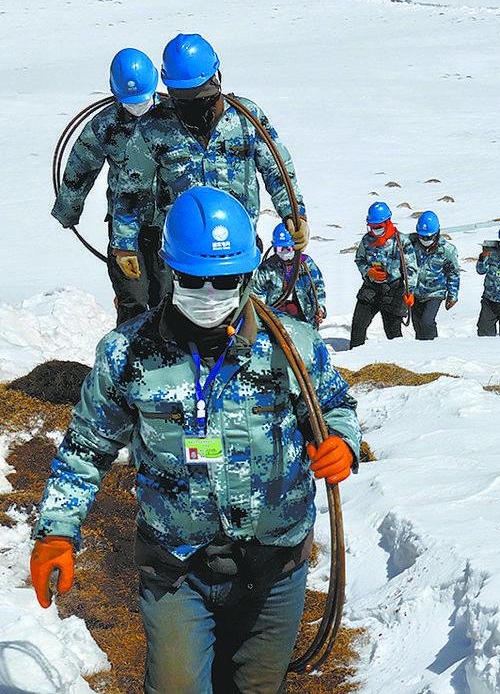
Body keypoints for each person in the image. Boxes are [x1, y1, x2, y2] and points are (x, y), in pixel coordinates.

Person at [29, 187, 360, 693]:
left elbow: (335, 405)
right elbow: (85, 449)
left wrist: (341, 441)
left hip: (275, 565)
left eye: (224, 280)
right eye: (192, 278)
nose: (209, 293)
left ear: (247, 274)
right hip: (177, 568)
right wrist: (56, 532)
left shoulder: (292, 346)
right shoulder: (127, 354)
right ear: (169, 269)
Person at [113, 33, 309, 295]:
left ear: (217, 79)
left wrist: (294, 213)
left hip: (238, 250)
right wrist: (124, 243)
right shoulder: (154, 128)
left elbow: (277, 169)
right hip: (183, 258)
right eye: (184, 98)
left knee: (243, 316)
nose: (194, 105)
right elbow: (131, 188)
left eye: (201, 95)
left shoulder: (245, 119)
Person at [52, 48, 160, 325]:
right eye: (131, 102)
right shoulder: (105, 125)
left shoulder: (172, 118)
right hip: (125, 227)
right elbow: (80, 168)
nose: (137, 107)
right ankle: (129, 350)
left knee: (168, 298)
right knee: (133, 300)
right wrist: (68, 210)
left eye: (143, 100)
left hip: (170, 224)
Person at [349, 201, 417, 348]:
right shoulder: (366, 240)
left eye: (378, 227)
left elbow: (411, 269)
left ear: (387, 222)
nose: (375, 230)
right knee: (358, 325)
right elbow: (359, 259)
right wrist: (368, 271)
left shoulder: (401, 241)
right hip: (371, 288)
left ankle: (398, 358)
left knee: (393, 333)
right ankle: (355, 356)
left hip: (394, 291)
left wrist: (410, 291)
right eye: (372, 227)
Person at [252, 222, 327, 328]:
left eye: (288, 248)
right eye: (280, 248)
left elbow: (317, 288)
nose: (284, 252)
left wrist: (320, 309)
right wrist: (261, 318)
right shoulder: (266, 268)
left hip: (304, 318)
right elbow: (257, 293)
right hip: (275, 319)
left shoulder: (306, 264)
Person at [409, 211, 460, 340]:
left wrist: (452, 295)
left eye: (428, 237)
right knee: (418, 324)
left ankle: (433, 346)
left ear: (436, 233)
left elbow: (453, 273)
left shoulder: (447, 250)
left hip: (435, 292)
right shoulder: (411, 244)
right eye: (422, 237)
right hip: (416, 292)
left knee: (427, 321)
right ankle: (421, 348)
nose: (425, 240)